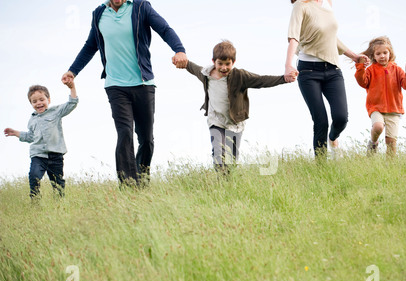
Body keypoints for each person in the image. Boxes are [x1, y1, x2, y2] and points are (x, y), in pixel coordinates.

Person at [61, 0, 188, 186]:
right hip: (115, 85)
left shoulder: (140, 7)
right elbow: (91, 46)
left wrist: (179, 50)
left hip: (143, 84)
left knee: (146, 138)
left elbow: (164, 29)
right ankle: (129, 185)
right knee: (124, 133)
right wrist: (72, 71)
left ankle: (142, 179)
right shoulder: (99, 14)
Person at [174, 40, 296, 173]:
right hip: (216, 120)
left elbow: (261, 80)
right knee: (218, 154)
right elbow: (191, 67)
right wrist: (181, 61)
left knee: (231, 160)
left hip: (234, 123)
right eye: (220, 63)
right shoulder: (206, 74)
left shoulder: (240, 76)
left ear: (234, 62)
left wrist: (284, 78)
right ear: (214, 61)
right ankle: (220, 181)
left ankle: (228, 183)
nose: (224, 68)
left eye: (228, 64)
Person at [284, 0, 368, 158]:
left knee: (341, 118)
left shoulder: (328, 3)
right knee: (321, 121)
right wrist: (288, 64)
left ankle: (333, 138)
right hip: (308, 71)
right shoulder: (300, 5)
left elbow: (331, 38)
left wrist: (355, 56)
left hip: (333, 70)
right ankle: (321, 166)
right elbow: (293, 37)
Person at [4, 81, 78, 199]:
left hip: (56, 155)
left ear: (48, 100)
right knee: (34, 176)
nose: (38, 103)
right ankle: (35, 201)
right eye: (34, 101)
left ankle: (59, 204)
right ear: (31, 104)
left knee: (57, 183)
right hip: (38, 155)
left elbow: (71, 104)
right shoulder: (32, 120)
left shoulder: (56, 112)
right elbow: (31, 137)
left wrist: (72, 88)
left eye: (41, 99)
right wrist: (16, 133)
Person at [355, 36, 406, 157]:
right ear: (374, 56)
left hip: (394, 109)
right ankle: (373, 142)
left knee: (391, 142)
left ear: (390, 53)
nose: (382, 56)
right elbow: (363, 82)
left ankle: (390, 168)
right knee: (378, 127)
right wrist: (361, 67)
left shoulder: (397, 70)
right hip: (376, 107)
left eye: (385, 53)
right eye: (378, 54)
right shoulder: (371, 70)